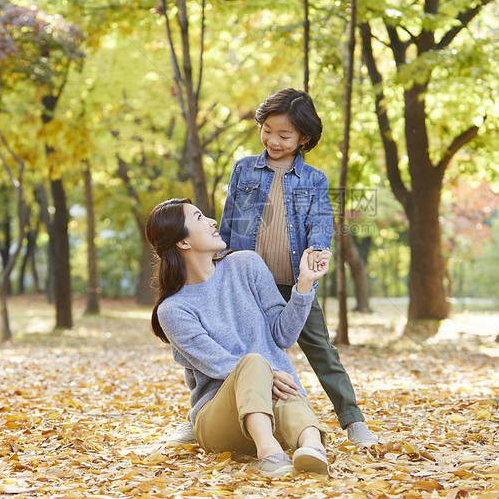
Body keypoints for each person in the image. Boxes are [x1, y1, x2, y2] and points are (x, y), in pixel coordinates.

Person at [168, 88, 379, 449]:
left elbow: (321, 223)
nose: (274, 140)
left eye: (285, 134)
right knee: (217, 343)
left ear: (304, 138)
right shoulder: (244, 169)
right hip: (246, 280)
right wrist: (220, 264)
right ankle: (198, 413)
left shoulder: (314, 180)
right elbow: (230, 219)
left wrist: (316, 252)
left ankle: (353, 419)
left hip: (292, 283)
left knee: (321, 350)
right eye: (268, 130)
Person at [148, 198, 333, 477]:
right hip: (219, 421)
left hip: (276, 404)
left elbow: (282, 335)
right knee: (254, 362)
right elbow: (220, 364)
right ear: (183, 242)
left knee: (288, 391)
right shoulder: (173, 309)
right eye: (199, 218)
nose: (212, 221)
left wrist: (304, 284)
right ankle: (269, 453)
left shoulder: (246, 265)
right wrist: (268, 373)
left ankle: (311, 448)